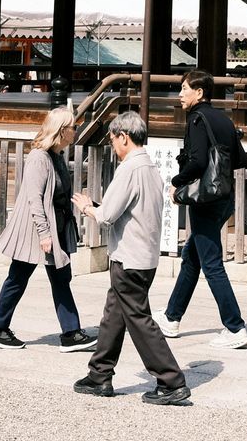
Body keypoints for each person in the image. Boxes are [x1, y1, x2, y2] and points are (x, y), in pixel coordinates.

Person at [70, 111, 190, 406]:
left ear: (124, 136)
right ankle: (99, 374)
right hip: (144, 255)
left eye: (113, 140)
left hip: (129, 257)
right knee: (114, 315)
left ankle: (171, 380)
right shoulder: (150, 168)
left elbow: (107, 215)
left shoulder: (129, 169)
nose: (112, 146)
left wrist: (88, 207)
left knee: (139, 319)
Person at [0, 107, 92, 351]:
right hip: (35, 231)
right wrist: (44, 234)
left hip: (56, 226)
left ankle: (70, 332)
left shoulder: (56, 155)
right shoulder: (39, 157)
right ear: (62, 130)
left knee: (60, 277)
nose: (76, 130)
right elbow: (34, 198)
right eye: (73, 127)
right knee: (18, 277)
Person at [159, 70, 247, 348]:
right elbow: (238, 158)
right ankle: (172, 318)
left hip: (204, 200)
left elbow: (197, 161)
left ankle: (234, 328)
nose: (180, 94)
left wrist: (177, 183)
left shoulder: (197, 119)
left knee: (210, 263)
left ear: (199, 93)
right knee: (192, 259)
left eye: (185, 88)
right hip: (223, 197)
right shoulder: (223, 118)